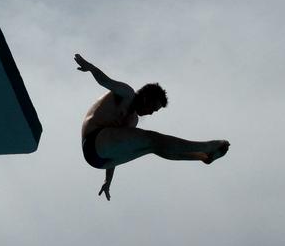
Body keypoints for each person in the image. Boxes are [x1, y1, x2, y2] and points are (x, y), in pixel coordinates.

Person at [75, 53, 229, 200]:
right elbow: (105, 81)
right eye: (152, 108)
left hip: (101, 160)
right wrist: (91, 68)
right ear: (146, 97)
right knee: (152, 138)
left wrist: (108, 181)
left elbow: (117, 146)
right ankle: (206, 147)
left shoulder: (132, 121)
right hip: (93, 140)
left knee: (153, 147)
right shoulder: (126, 94)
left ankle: (201, 156)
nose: (150, 114)